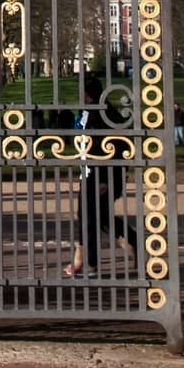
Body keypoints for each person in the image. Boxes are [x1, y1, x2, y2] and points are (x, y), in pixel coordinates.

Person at [64, 75, 139, 277]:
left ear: (88, 94)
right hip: (90, 172)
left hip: (100, 175)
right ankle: (135, 243)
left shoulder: (102, 114)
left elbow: (111, 148)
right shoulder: (92, 112)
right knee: (101, 218)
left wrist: (105, 180)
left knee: (89, 218)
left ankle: (88, 263)